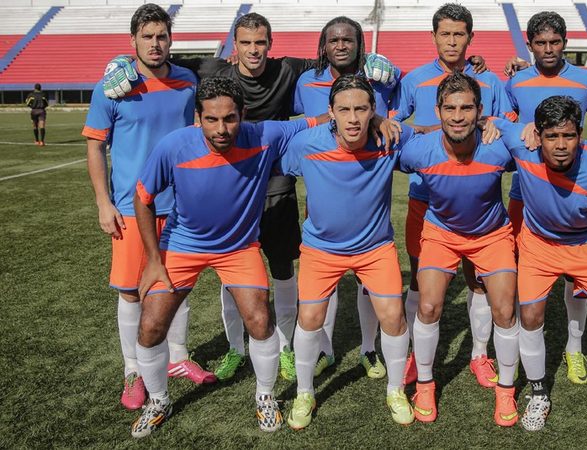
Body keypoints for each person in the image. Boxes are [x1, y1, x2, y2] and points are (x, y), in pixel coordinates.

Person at [100, 12, 399, 383]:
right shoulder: (215, 70)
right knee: (231, 273)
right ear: (234, 45)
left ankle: (286, 347)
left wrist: (375, 83)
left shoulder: (288, 69)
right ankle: (235, 348)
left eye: (260, 42)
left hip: (275, 185)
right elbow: (166, 59)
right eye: (245, 42)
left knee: (282, 268)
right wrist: (122, 60)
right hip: (232, 187)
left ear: (270, 45)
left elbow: (335, 62)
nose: (253, 50)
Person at [131, 77, 319, 437]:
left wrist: (372, 118)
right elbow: (142, 198)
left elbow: (321, 120)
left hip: (238, 247)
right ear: (197, 118)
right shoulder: (173, 147)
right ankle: (158, 400)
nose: (221, 129)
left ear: (242, 114)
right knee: (151, 325)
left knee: (259, 320)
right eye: (212, 119)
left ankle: (265, 397)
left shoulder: (264, 134)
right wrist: (154, 259)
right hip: (182, 244)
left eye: (230, 118)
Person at [83, 3, 214, 413]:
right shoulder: (112, 86)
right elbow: (95, 146)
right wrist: (103, 203)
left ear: (171, 40)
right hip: (130, 206)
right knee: (130, 291)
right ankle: (133, 371)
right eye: (147, 37)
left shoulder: (188, 82)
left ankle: (177, 357)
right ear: (133, 40)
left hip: (180, 205)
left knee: (177, 283)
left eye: (162, 36)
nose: (155, 44)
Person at [491, 96, 587, 436]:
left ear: (580, 135)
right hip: (538, 244)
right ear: (538, 135)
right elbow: (491, 121)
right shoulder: (522, 146)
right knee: (530, 316)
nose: (560, 145)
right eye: (552, 136)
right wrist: (498, 124)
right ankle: (538, 393)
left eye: (568, 136)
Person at [390, 2, 516, 388]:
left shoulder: (489, 80)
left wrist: (494, 123)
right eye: (444, 34)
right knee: (421, 284)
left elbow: (506, 122)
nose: (451, 41)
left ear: (470, 37)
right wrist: (432, 132)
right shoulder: (415, 79)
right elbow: (394, 124)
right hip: (426, 198)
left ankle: (479, 354)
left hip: (478, 201)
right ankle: (417, 354)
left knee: (478, 282)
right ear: (433, 37)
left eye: (459, 34)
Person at [281, 74, 417, 429]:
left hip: (375, 248)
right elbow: (278, 164)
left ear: (374, 110)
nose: (353, 118)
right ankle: (305, 393)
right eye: (344, 110)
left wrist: (487, 123)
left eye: (361, 109)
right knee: (310, 318)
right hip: (321, 249)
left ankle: (395, 389)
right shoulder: (305, 144)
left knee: (393, 317)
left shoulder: (390, 139)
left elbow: (434, 135)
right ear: (331, 112)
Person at [398, 72, 519, 427]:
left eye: (466, 108)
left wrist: (504, 126)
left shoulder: (498, 147)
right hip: (442, 233)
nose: (457, 116)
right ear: (438, 111)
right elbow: (389, 145)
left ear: (479, 111)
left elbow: (532, 138)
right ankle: (424, 384)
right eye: (450, 108)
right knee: (429, 305)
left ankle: (506, 389)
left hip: (491, 234)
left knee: (505, 309)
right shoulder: (420, 151)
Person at [503, 11, 587, 387]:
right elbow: (502, 124)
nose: (548, 49)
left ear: (564, 42)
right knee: (519, 267)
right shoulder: (517, 81)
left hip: (573, 188)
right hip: (527, 189)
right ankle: (519, 345)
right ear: (529, 45)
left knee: (576, 274)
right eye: (540, 43)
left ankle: (574, 347)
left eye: (554, 42)